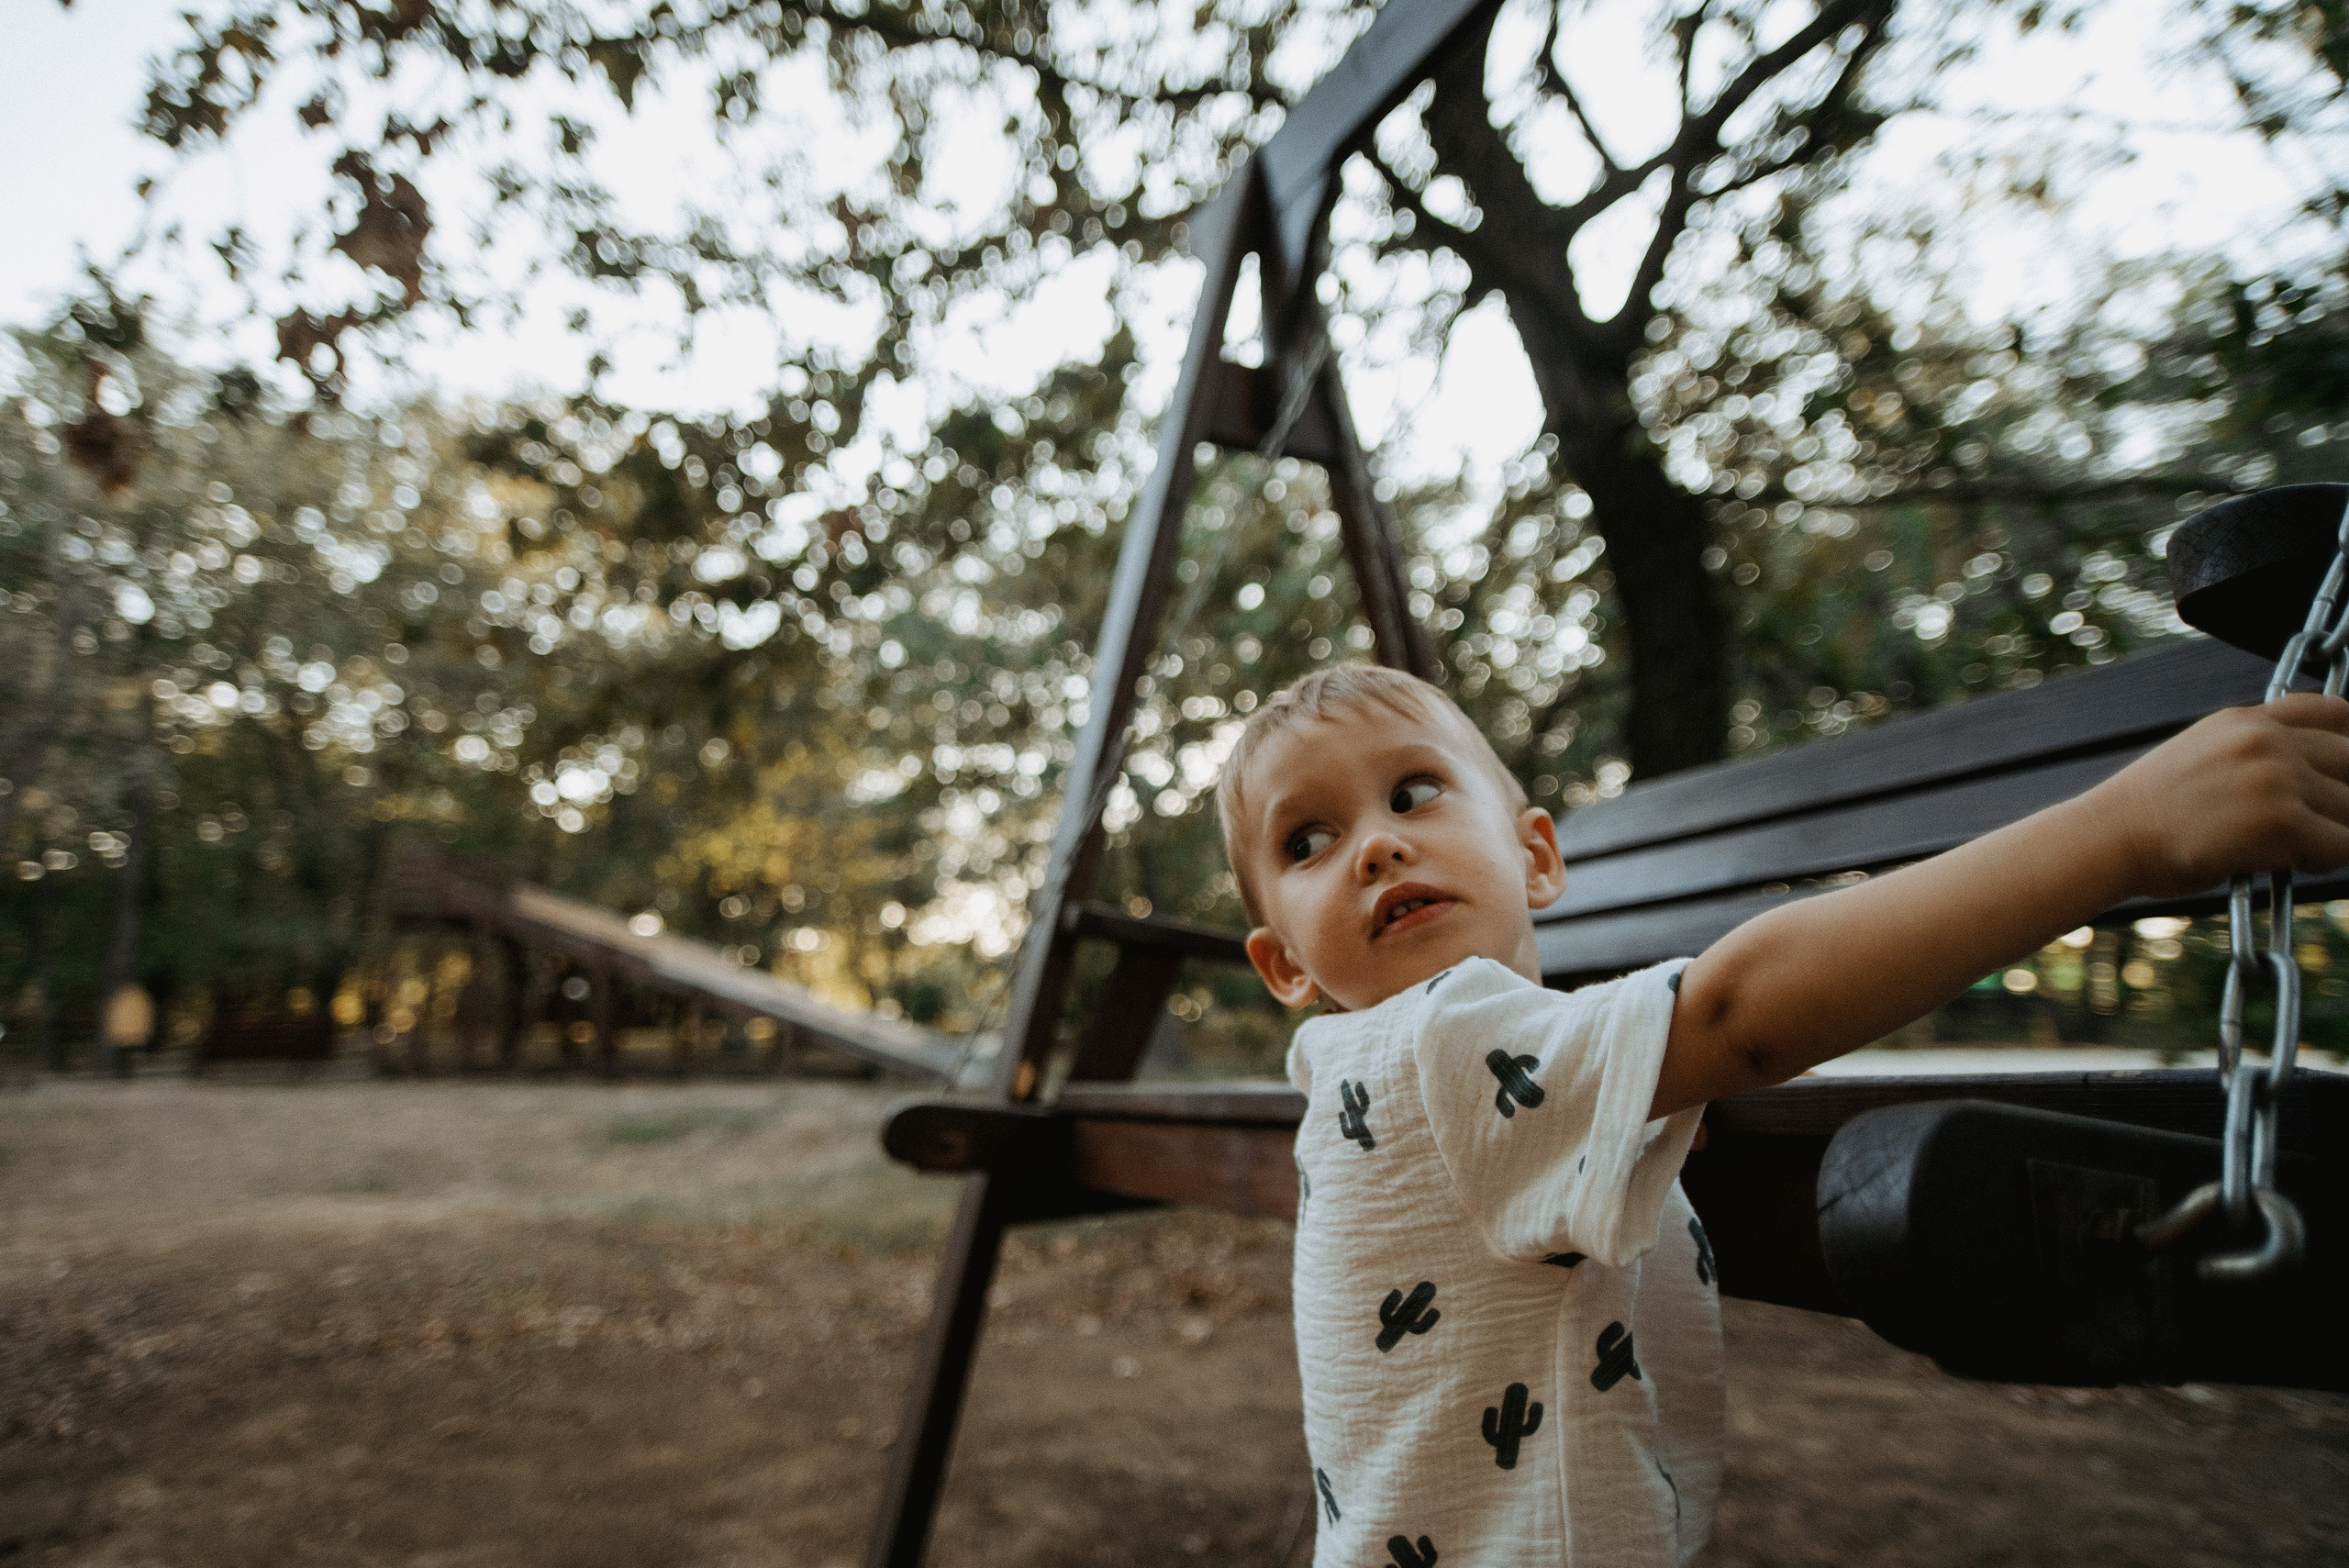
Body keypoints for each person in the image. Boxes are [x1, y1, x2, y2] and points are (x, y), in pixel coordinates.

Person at [1216, 662, 2349, 1567]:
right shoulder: (1437, 1041)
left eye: (1413, 790)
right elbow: (1742, 1012)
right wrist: (2126, 832)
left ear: (1538, 854)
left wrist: (1643, 1097)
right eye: (1304, 840)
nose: (1373, 842)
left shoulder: (1401, 1071)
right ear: (1282, 963)